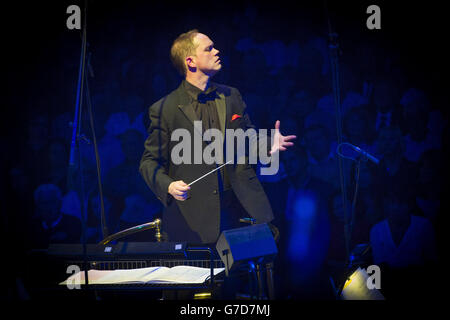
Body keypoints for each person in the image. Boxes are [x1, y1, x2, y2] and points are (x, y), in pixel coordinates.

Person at [139, 29, 296, 245]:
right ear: (190, 61)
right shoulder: (165, 108)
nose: (217, 51)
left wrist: (268, 144)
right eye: (209, 48)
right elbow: (149, 162)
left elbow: (248, 139)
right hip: (194, 219)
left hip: (239, 211)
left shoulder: (232, 95)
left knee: (246, 276)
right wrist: (168, 185)